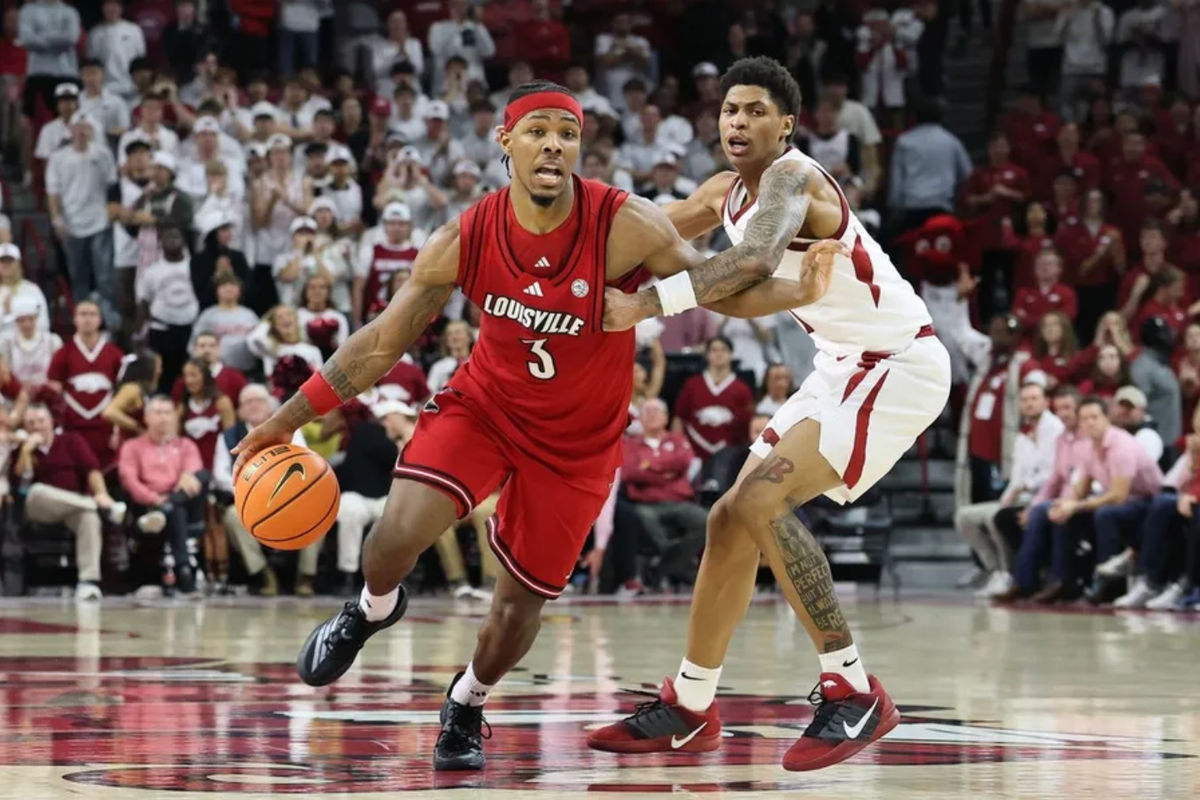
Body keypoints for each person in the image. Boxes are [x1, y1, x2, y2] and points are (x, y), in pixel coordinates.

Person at [231, 78, 828, 772]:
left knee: (516, 613)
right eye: (539, 130)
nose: (554, 144)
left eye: (567, 134)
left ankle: (468, 702)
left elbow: (714, 283)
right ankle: (370, 607)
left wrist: (797, 291)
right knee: (391, 539)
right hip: (485, 410)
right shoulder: (466, 234)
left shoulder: (625, 223)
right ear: (505, 141)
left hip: (577, 448)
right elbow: (378, 344)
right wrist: (280, 423)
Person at [589, 57, 949, 769]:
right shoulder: (723, 188)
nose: (738, 122)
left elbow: (752, 261)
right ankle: (691, 707)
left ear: (786, 124)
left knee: (761, 500)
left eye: (755, 110)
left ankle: (853, 690)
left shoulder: (795, 178)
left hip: (896, 360)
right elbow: (645, 232)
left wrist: (642, 305)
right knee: (728, 518)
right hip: (841, 365)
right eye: (729, 110)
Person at [954, 381, 1063, 598]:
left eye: (1034, 399)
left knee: (997, 517)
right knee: (964, 517)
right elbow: (1015, 478)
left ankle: (1008, 573)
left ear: (1045, 402)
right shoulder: (1022, 436)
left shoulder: (1056, 430)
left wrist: (1024, 487)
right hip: (1018, 496)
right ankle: (994, 570)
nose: (1029, 404)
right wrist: (1007, 497)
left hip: (1041, 496)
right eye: (1024, 400)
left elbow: (1054, 473)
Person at [13, 403, 124, 601]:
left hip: (72, 507)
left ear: (51, 422)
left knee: (89, 518)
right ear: (24, 426)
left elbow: (92, 470)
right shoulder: (20, 448)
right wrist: (26, 451)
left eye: (41, 421)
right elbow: (22, 485)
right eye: (30, 422)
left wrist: (101, 493)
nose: (36, 426)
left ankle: (87, 582)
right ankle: (103, 509)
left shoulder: (70, 441)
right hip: (38, 506)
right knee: (37, 490)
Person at [117, 395, 209, 594]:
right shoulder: (132, 447)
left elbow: (193, 474)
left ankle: (166, 508)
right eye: (157, 413)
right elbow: (129, 480)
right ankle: (183, 570)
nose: (163, 418)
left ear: (175, 417)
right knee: (176, 510)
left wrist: (183, 481)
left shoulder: (186, 445)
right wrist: (155, 499)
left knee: (201, 476)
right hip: (148, 504)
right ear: (146, 418)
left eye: (168, 412)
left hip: (180, 498)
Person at [46, 111, 119, 333]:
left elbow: (112, 184)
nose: (81, 131)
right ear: (71, 130)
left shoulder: (102, 153)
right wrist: (56, 219)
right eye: (78, 127)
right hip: (72, 225)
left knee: (105, 275)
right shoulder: (59, 158)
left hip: (99, 223)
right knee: (79, 277)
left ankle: (110, 323)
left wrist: (110, 212)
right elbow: (53, 192)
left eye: (86, 127)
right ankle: (84, 324)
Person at [621, 398, 706, 587]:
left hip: (680, 502)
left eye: (656, 410)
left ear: (666, 417)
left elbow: (684, 462)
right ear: (639, 419)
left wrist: (649, 468)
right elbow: (629, 472)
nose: (651, 414)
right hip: (646, 505)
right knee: (645, 521)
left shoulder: (678, 440)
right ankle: (681, 568)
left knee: (706, 520)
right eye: (647, 411)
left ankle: (662, 569)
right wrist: (667, 473)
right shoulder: (630, 444)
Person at [333, 400, 414, 595]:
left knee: (397, 520)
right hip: (357, 495)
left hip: (385, 499)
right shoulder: (367, 432)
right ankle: (348, 574)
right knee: (349, 513)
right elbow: (388, 455)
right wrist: (401, 439)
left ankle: (393, 576)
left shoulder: (406, 438)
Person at [46, 300, 125, 467]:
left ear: (100, 319)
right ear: (74, 319)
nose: (87, 319)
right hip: (74, 426)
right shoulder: (63, 353)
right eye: (83, 314)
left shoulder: (115, 354)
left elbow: (124, 392)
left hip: (105, 426)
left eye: (92, 314)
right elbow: (53, 389)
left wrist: (119, 430)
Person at [671, 336, 755, 461]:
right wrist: (677, 449)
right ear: (707, 355)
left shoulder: (742, 389)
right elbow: (679, 418)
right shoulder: (692, 385)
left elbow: (749, 425)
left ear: (731, 354)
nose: (719, 354)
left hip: (729, 456)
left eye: (723, 350)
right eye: (714, 350)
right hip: (693, 454)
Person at [137, 224, 199, 393]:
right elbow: (143, 302)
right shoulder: (151, 271)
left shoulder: (196, 266)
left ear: (184, 242)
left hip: (191, 327)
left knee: (190, 375)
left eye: (176, 236)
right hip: (162, 329)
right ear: (160, 243)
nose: (172, 240)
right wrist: (140, 332)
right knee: (163, 376)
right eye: (167, 237)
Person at [178, 357, 235, 471]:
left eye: (193, 375)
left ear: (205, 376)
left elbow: (231, 440)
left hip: (219, 465)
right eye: (186, 376)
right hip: (191, 468)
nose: (189, 380)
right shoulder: (182, 407)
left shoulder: (221, 402)